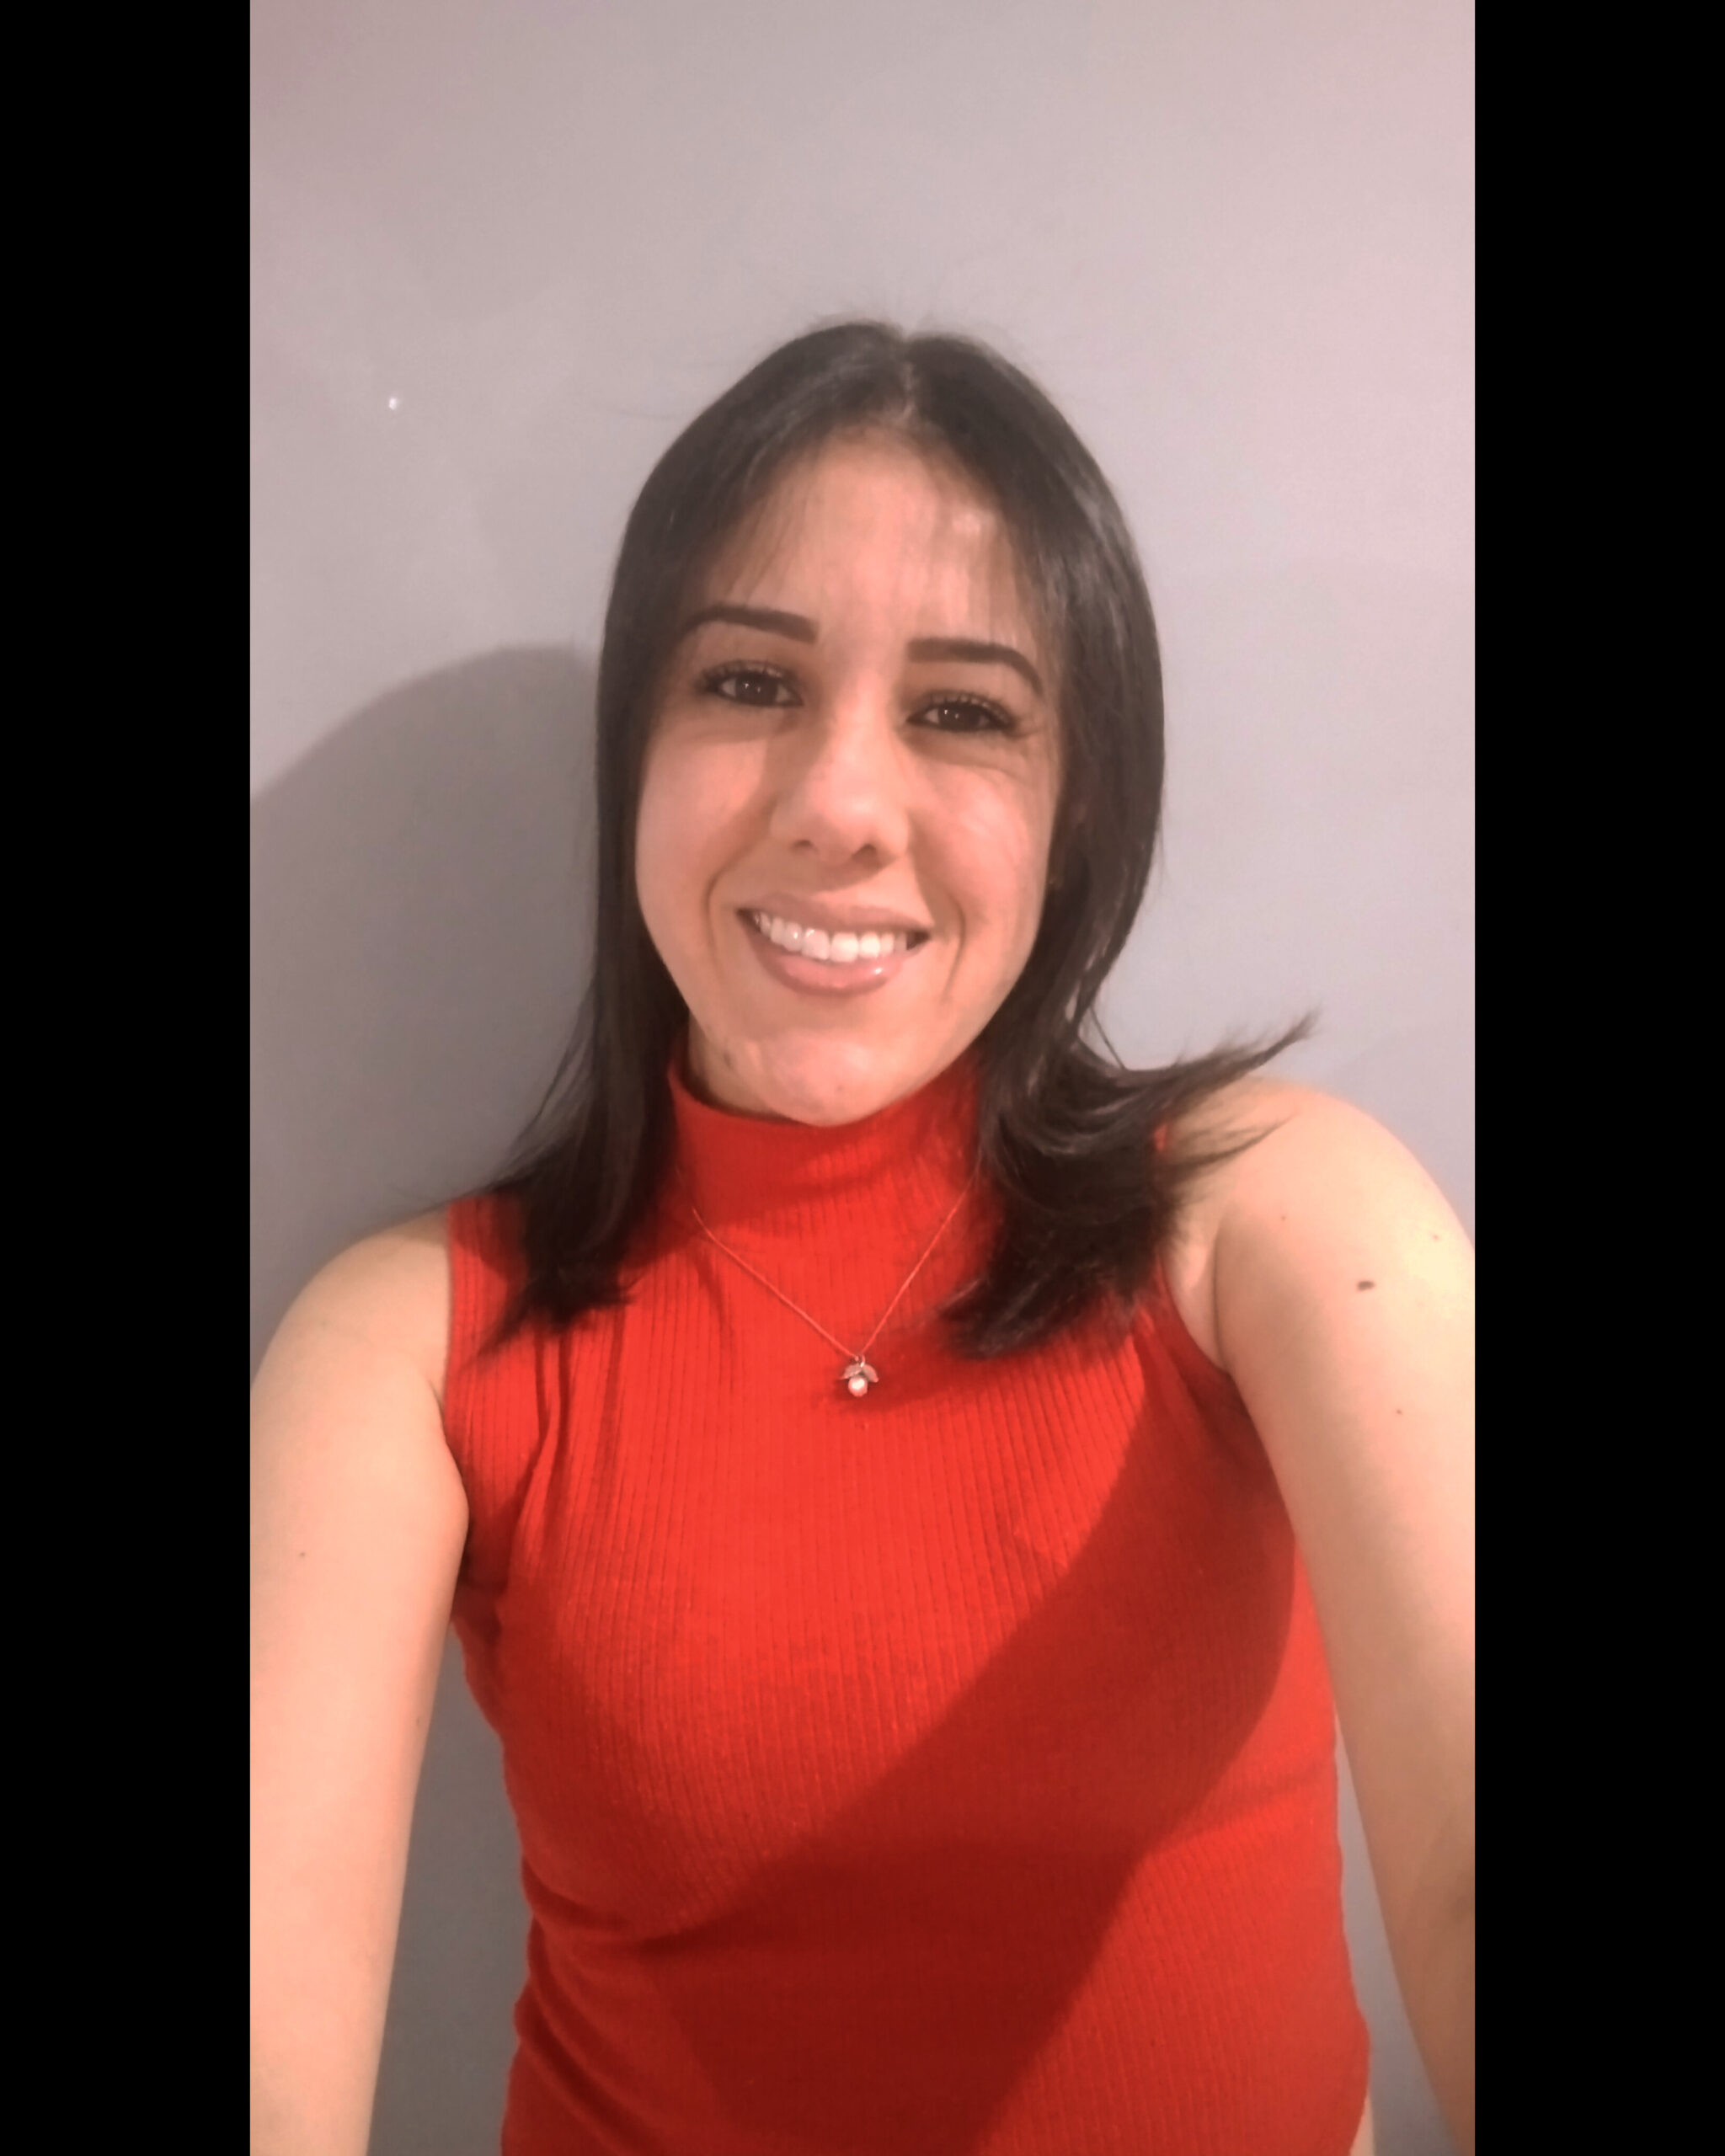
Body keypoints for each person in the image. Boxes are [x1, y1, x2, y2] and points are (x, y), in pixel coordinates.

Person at [250, 323, 1474, 2156]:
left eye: (964, 711)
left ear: (1075, 813)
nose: (835, 802)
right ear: (635, 759)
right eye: (748, 682)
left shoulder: (1278, 1218)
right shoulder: (409, 1344)